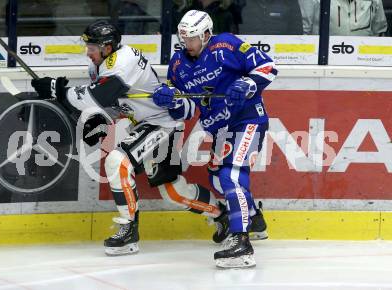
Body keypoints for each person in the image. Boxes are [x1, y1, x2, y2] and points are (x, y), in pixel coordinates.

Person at [30, 20, 230, 256]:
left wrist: (58, 90)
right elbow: (114, 103)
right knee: (174, 193)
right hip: (147, 123)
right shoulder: (99, 66)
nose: (88, 52)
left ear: (107, 47)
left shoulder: (124, 60)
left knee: (117, 161)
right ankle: (221, 214)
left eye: (92, 48)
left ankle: (128, 231)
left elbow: (101, 95)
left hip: (161, 123)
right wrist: (96, 118)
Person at [152, 10, 276, 268]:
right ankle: (253, 217)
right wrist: (171, 101)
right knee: (218, 179)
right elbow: (186, 110)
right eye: (184, 38)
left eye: (193, 39)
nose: (188, 44)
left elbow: (267, 66)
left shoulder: (227, 44)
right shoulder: (177, 64)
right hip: (218, 127)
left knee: (231, 175)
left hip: (247, 118)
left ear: (207, 34)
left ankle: (241, 243)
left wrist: (248, 84)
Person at [305, 0, 388, 36]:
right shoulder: (315, 1)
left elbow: (379, 31)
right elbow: (305, 31)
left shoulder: (374, 1)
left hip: (363, 59)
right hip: (325, 58)